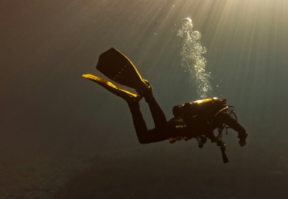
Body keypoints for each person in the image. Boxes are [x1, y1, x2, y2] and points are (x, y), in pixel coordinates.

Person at [83, 47, 247, 163]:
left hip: (181, 123)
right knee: (161, 128)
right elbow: (237, 127)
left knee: (144, 138)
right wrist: (242, 137)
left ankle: (133, 103)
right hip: (183, 125)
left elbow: (209, 129)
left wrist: (218, 141)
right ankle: (148, 94)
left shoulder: (213, 118)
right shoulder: (220, 115)